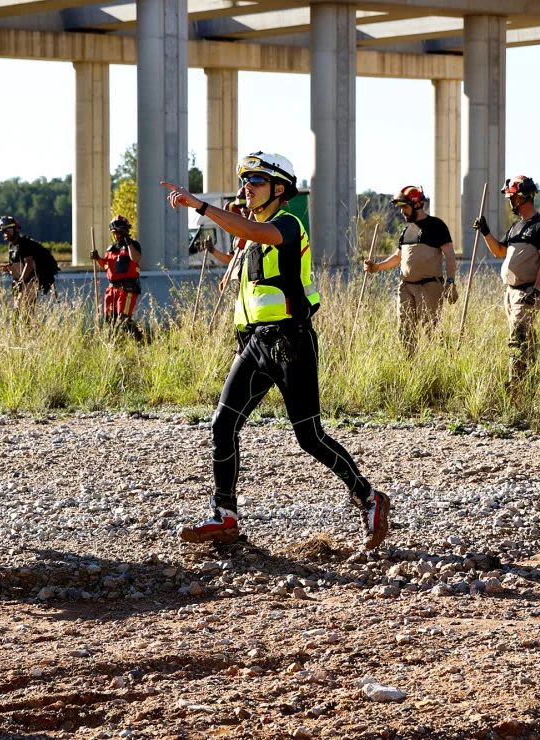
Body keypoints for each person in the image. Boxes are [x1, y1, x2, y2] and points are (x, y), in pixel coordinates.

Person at [161, 152, 391, 551]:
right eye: (244, 181)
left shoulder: (287, 223)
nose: (245, 187)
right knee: (222, 425)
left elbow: (259, 235)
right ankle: (225, 516)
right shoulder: (250, 234)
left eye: (255, 181)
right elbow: (246, 262)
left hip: (291, 341)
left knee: (309, 436)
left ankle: (369, 499)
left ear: (279, 189)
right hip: (254, 343)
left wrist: (200, 206)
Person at [472, 175, 540, 385]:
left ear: (523, 198)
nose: (510, 202)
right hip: (511, 291)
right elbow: (500, 252)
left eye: (512, 198)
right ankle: (535, 377)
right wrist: (485, 232)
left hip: (529, 290)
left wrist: (535, 291)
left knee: (517, 334)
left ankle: (515, 384)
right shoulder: (516, 228)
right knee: (524, 334)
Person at [363, 186, 458, 353]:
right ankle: (409, 366)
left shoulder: (437, 225)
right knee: (405, 331)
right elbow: (398, 257)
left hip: (430, 288)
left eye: (405, 207)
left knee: (431, 331)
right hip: (406, 287)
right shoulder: (406, 231)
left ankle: (435, 366)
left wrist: (450, 282)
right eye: (400, 207)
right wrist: (377, 267)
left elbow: (450, 256)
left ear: (417, 205)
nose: (402, 211)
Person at [91, 215, 144, 339]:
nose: (116, 235)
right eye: (114, 233)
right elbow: (106, 267)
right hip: (112, 289)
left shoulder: (134, 245)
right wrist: (98, 258)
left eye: (119, 232)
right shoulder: (111, 249)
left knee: (123, 319)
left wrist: (128, 242)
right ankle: (113, 345)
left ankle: (141, 342)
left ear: (125, 231)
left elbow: (135, 258)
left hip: (127, 288)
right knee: (110, 319)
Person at [0, 216, 60, 304]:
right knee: (19, 314)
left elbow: (28, 265)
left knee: (24, 313)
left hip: (29, 283)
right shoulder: (12, 246)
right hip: (20, 284)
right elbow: (13, 267)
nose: (5, 233)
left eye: (7, 230)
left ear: (15, 229)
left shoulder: (24, 244)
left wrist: (21, 282)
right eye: (2, 231)